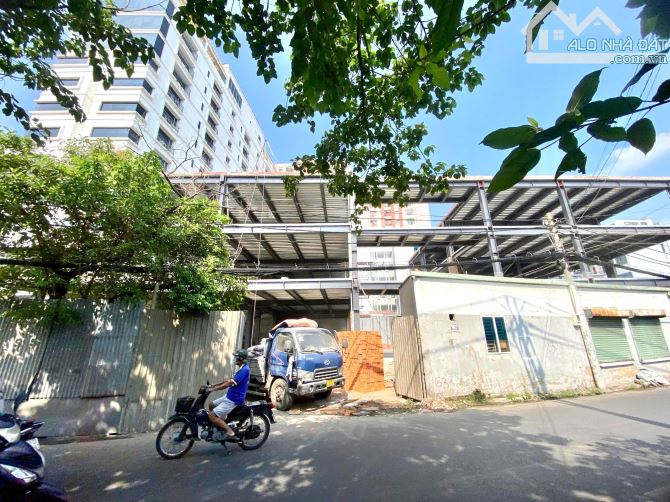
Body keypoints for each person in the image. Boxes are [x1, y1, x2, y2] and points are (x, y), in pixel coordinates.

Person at [207, 349, 250, 440]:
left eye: (237, 357)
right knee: (211, 405)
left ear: (241, 358)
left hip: (234, 399)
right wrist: (214, 385)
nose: (235, 359)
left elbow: (228, 384)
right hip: (230, 395)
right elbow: (228, 381)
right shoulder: (242, 368)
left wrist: (214, 389)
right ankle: (221, 423)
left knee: (211, 415)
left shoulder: (244, 370)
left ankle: (229, 431)